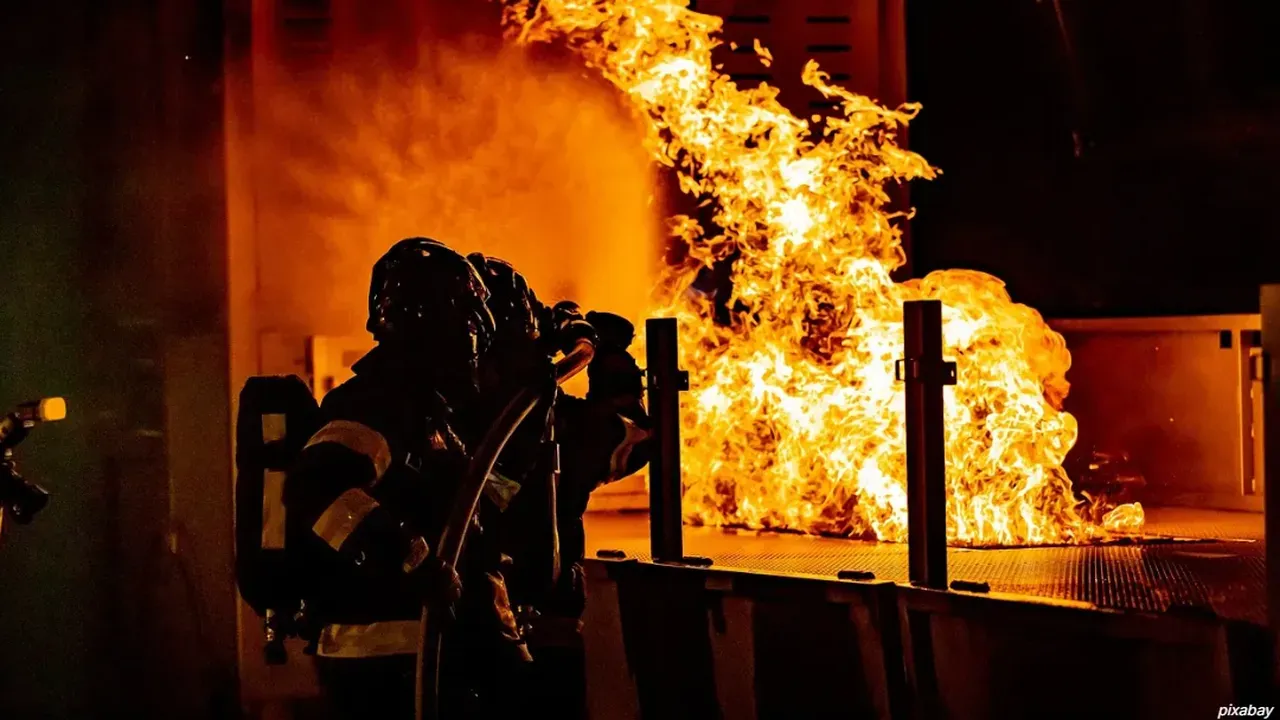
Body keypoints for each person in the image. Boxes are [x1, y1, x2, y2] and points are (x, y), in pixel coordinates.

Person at [283, 238, 530, 719]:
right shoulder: (380, 404)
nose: (475, 338)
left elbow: (484, 497)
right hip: (385, 660)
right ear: (437, 321)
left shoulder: (425, 409)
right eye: (467, 320)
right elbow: (314, 486)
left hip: (415, 654)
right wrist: (413, 561)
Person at [466, 254, 652, 718]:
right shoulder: (542, 420)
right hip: (535, 625)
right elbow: (631, 436)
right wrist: (610, 361)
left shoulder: (446, 412)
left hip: (479, 627)